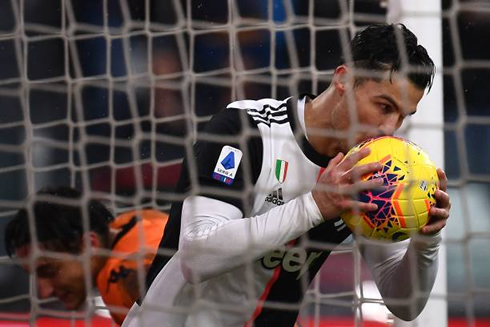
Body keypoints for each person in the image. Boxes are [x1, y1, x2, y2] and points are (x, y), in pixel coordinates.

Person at [123, 23, 451, 327]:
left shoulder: (368, 171)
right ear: (343, 79)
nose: (389, 128)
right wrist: (315, 206)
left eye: (402, 116)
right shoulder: (245, 129)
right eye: (383, 106)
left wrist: (426, 240)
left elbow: (404, 304)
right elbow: (197, 257)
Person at [4, 186, 169, 325]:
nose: (45, 292)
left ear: (90, 244)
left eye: (49, 270)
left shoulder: (122, 278)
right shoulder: (140, 220)